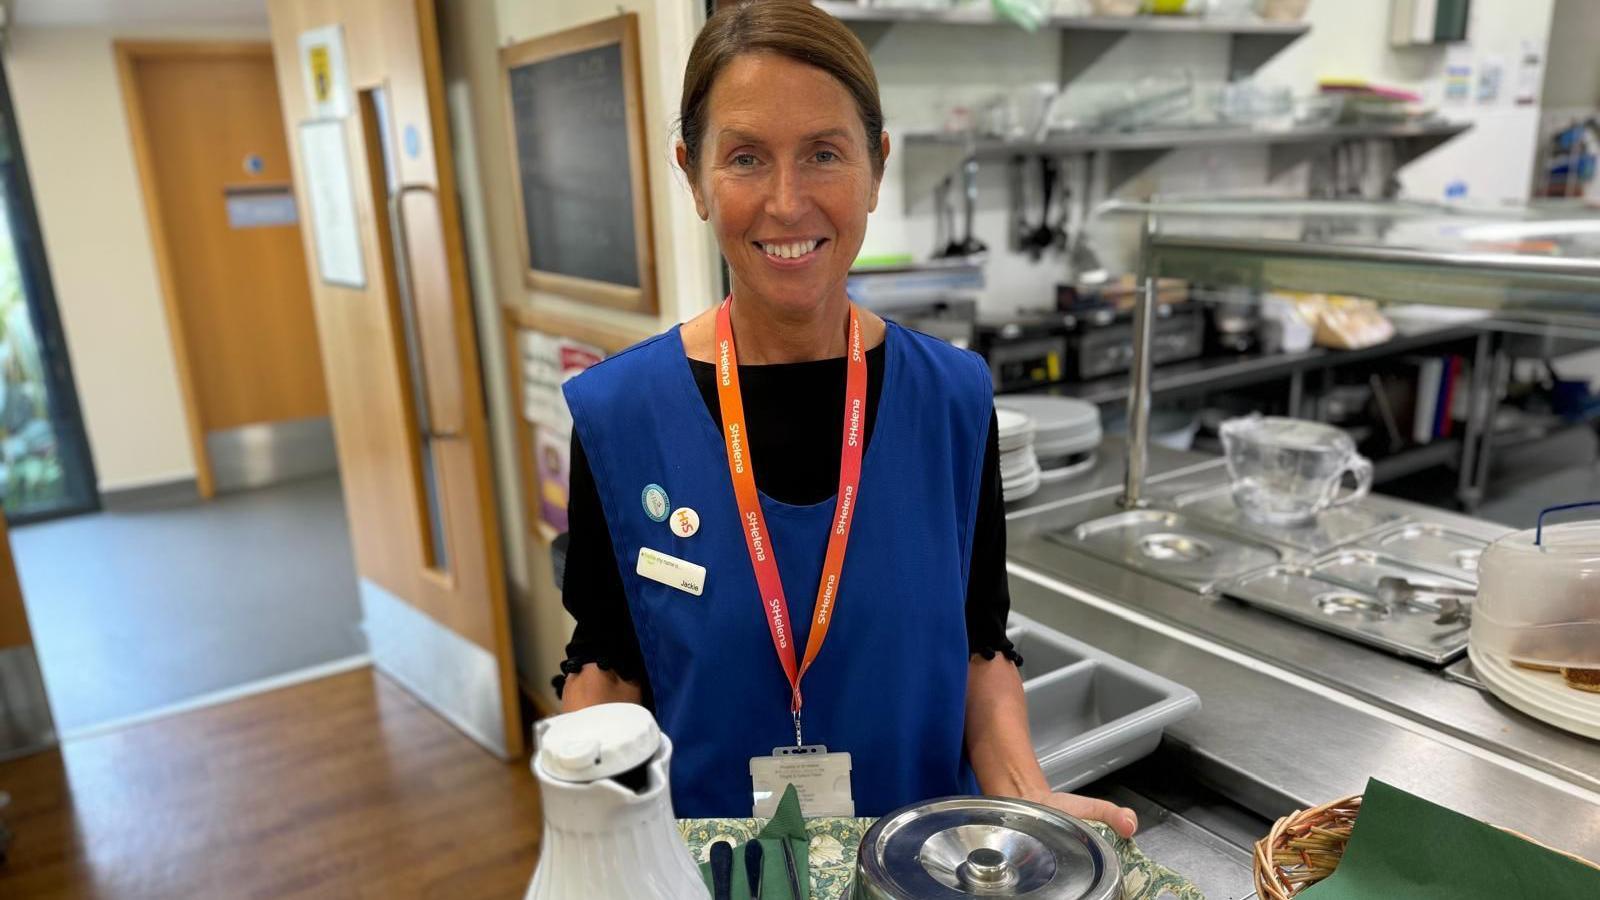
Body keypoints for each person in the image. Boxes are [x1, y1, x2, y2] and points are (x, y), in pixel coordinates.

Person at [553, 0, 1136, 838]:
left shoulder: (953, 400)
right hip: (713, 877)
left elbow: (980, 643)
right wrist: (591, 835)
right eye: (746, 158)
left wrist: (1023, 788)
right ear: (692, 176)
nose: (787, 203)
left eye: (824, 154)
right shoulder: (620, 414)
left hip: (921, 869)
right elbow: (606, 665)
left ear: (876, 167)